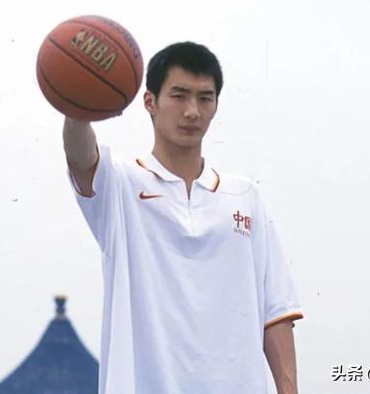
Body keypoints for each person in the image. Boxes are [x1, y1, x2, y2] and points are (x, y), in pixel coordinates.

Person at [63, 41, 303, 394]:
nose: (192, 111)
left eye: (205, 98)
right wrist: (77, 106)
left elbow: (276, 311)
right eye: (179, 96)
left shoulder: (244, 196)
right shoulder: (121, 185)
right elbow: (81, 157)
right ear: (150, 102)